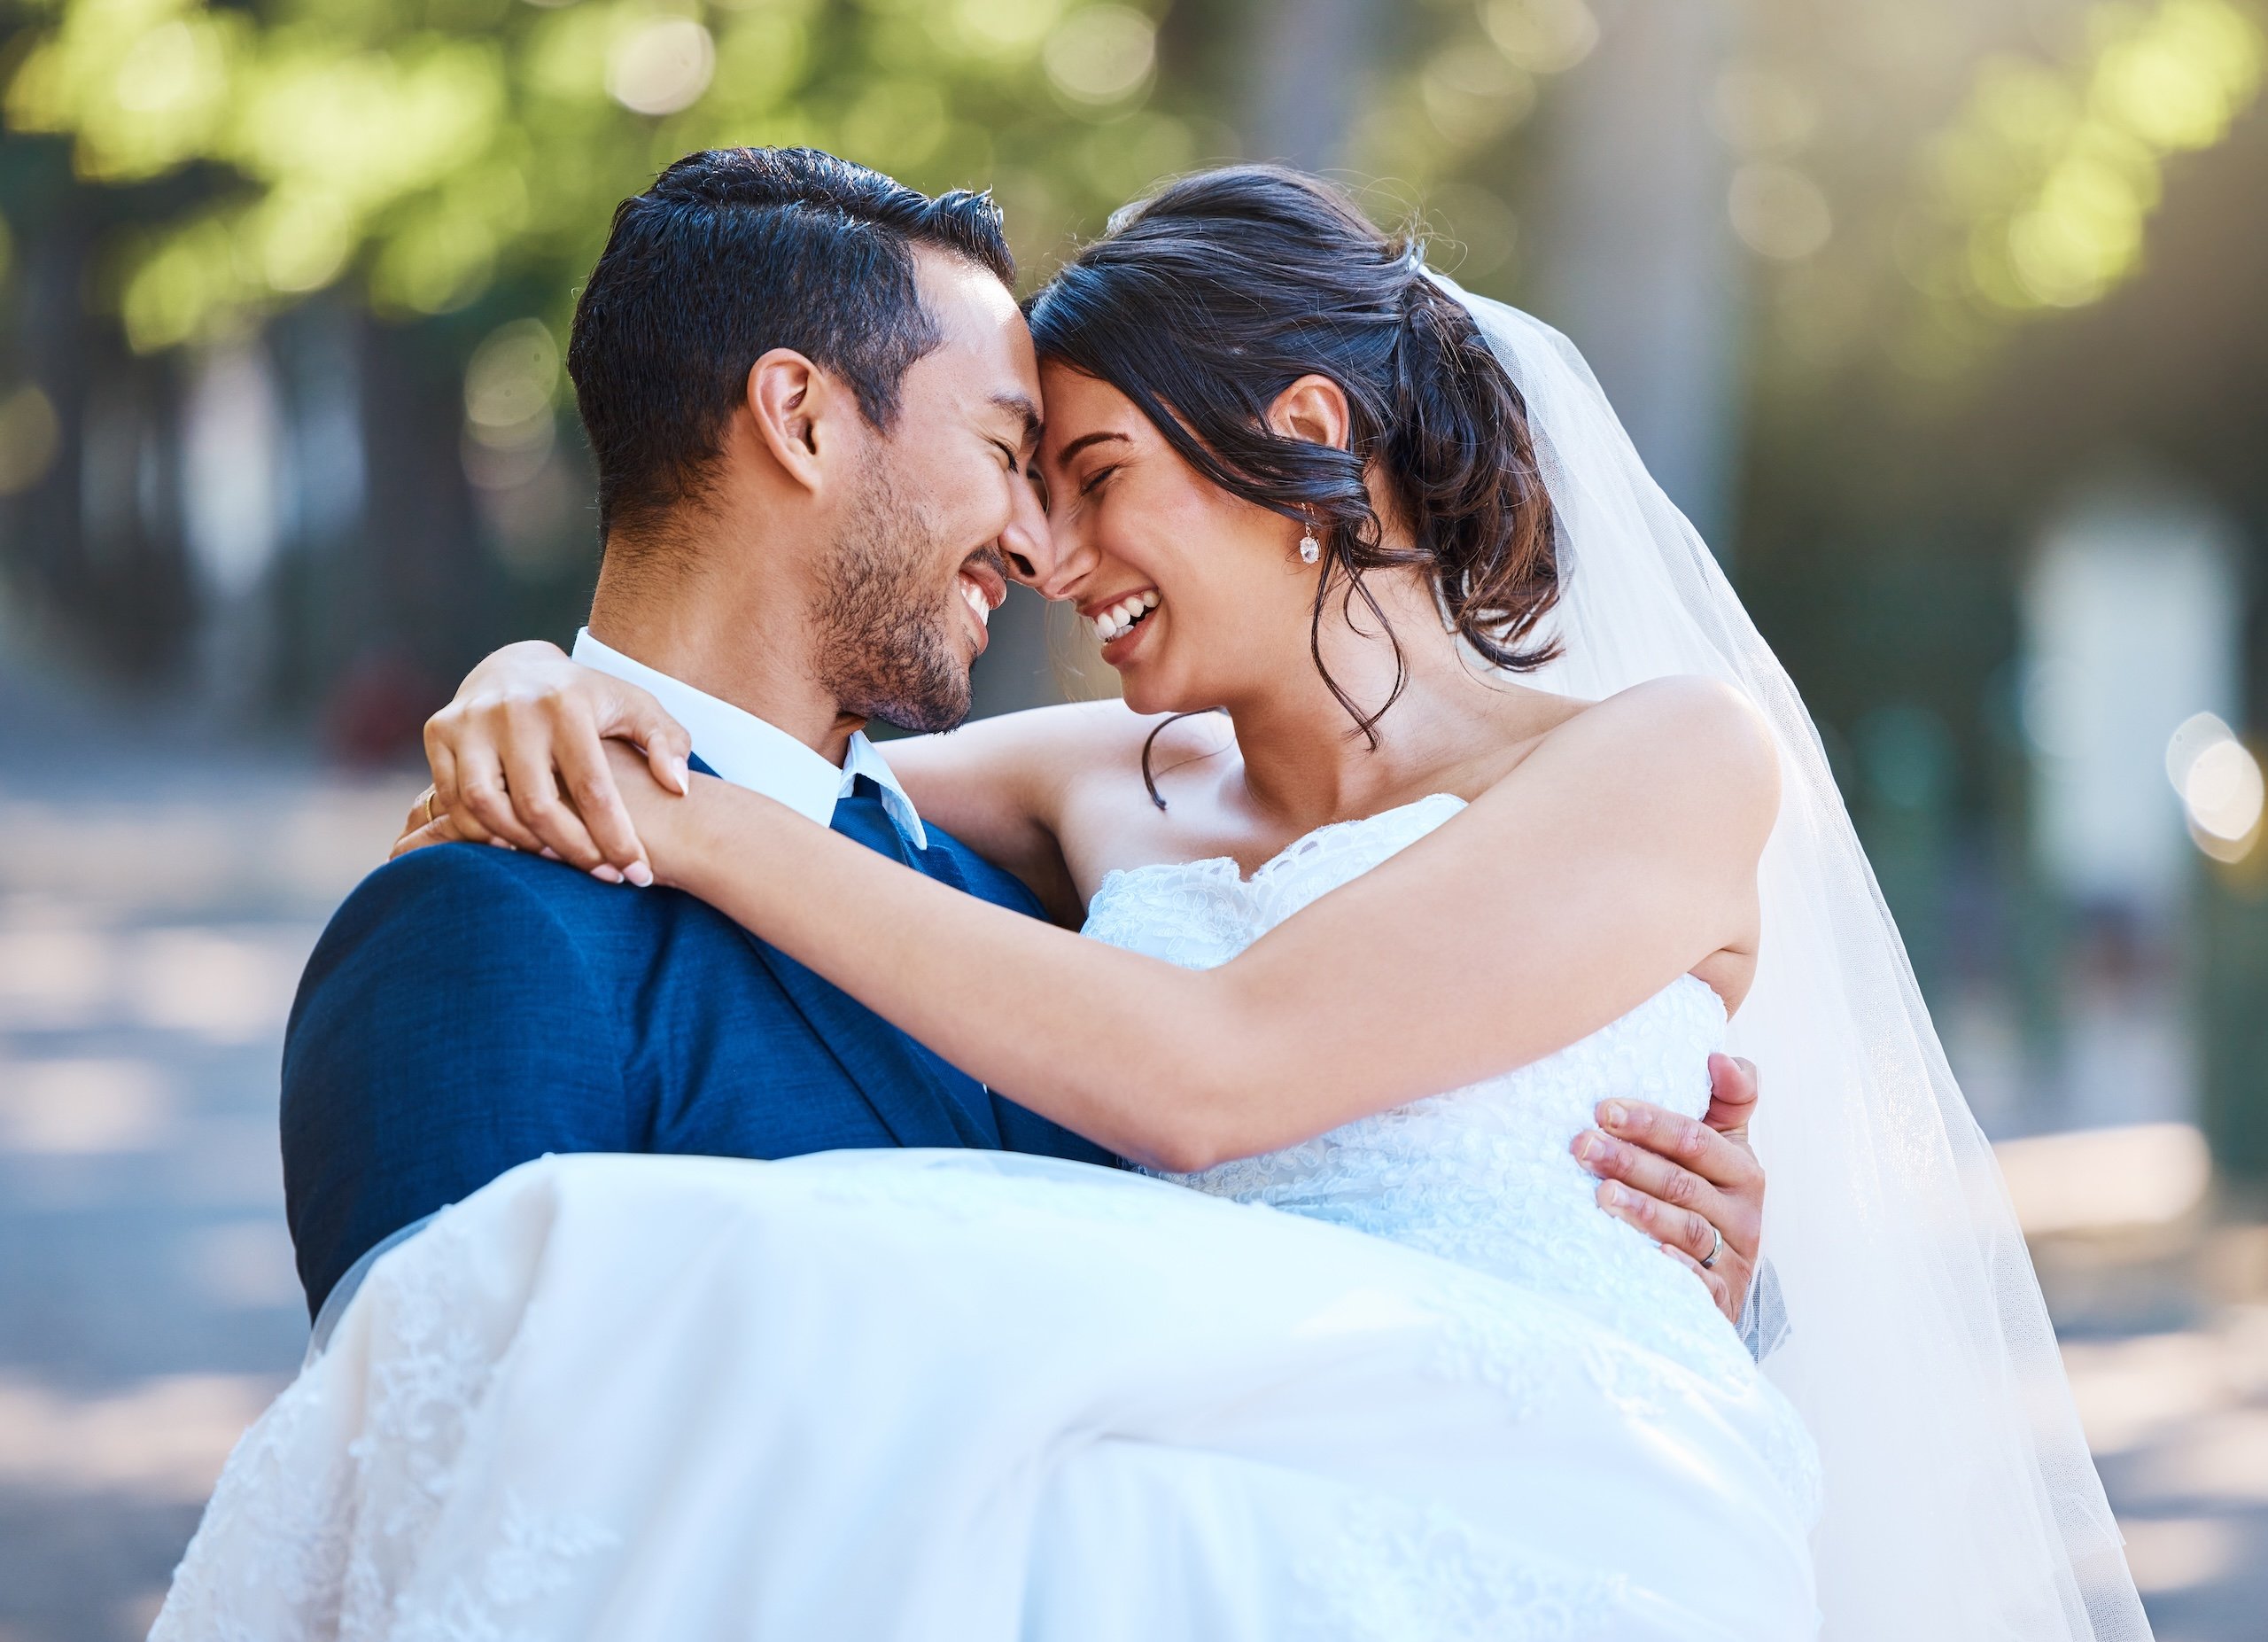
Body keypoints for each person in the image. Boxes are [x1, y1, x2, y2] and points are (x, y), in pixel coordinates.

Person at [151, 154, 2145, 1642]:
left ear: (1300, 439)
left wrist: (1698, 1266)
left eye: (1084, 470)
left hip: (1530, 1503)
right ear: (796, 413)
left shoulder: (1660, 754)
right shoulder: (1082, 796)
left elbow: (1204, 1075)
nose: (1040, 542)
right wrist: (536, 690)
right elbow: (450, 1445)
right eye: (1022, 463)